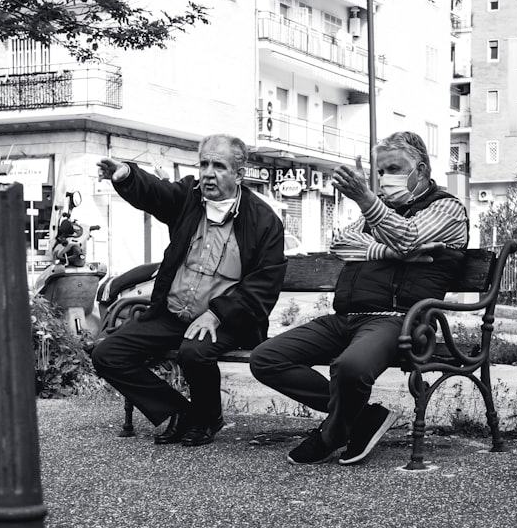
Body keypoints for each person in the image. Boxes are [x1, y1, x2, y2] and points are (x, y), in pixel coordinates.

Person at [250, 131, 470, 466]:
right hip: (348, 317)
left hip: (401, 319)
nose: (383, 179)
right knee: (266, 358)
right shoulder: (378, 214)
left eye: (393, 168)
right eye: (379, 172)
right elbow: (341, 242)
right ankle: (361, 417)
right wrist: (392, 251)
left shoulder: (446, 208)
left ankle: (332, 433)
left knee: (350, 367)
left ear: (421, 170)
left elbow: (409, 236)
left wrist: (369, 205)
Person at [92, 135, 287, 447]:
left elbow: (263, 285)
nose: (208, 173)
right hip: (172, 313)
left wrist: (216, 315)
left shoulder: (262, 220)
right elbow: (157, 193)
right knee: (108, 354)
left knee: (194, 352)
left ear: (238, 174)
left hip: (227, 320)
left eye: (219, 166)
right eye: (204, 164)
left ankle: (208, 418)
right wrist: (128, 174)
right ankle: (180, 412)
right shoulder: (189, 196)